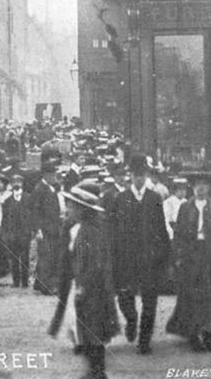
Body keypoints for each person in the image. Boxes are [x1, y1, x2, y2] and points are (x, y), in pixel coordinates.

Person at [48, 180, 119, 379]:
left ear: (82, 208)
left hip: (94, 288)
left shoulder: (92, 231)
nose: (68, 208)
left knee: (94, 331)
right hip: (82, 286)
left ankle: (98, 372)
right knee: (85, 329)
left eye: (72, 205)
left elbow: (96, 262)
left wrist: (83, 286)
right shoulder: (75, 227)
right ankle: (93, 370)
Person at [112, 155, 170, 355]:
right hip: (127, 260)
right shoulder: (121, 198)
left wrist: (163, 255)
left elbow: (161, 229)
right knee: (125, 297)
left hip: (149, 260)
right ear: (130, 176)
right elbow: (115, 231)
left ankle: (144, 341)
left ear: (146, 175)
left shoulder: (154, 199)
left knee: (150, 301)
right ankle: (131, 319)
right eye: (135, 175)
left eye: (142, 175)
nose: (139, 179)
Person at [166, 173, 211, 353]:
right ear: (192, 188)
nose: (200, 188)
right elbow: (179, 235)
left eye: (204, 185)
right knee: (191, 296)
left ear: (209, 188)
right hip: (191, 257)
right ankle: (193, 336)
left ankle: (209, 337)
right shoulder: (186, 207)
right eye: (197, 185)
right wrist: (178, 257)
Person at [31, 163, 64, 295]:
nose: (54, 177)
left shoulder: (51, 188)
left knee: (50, 255)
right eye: (52, 175)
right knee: (47, 257)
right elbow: (35, 211)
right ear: (46, 175)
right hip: (45, 229)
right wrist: (37, 229)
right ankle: (47, 286)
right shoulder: (39, 189)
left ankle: (39, 282)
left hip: (53, 228)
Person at [1, 173, 34, 288]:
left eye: (19, 182)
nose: (16, 184)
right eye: (14, 182)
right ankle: (16, 282)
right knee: (14, 258)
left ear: (22, 184)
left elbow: (32, 217)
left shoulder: (29, 199)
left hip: (25, 234)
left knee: (25, 258)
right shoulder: (7, 201)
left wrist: (31, 231)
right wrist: (5, 234)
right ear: (11, 184)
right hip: (12, 235)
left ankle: (25, 282)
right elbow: (4, 220)